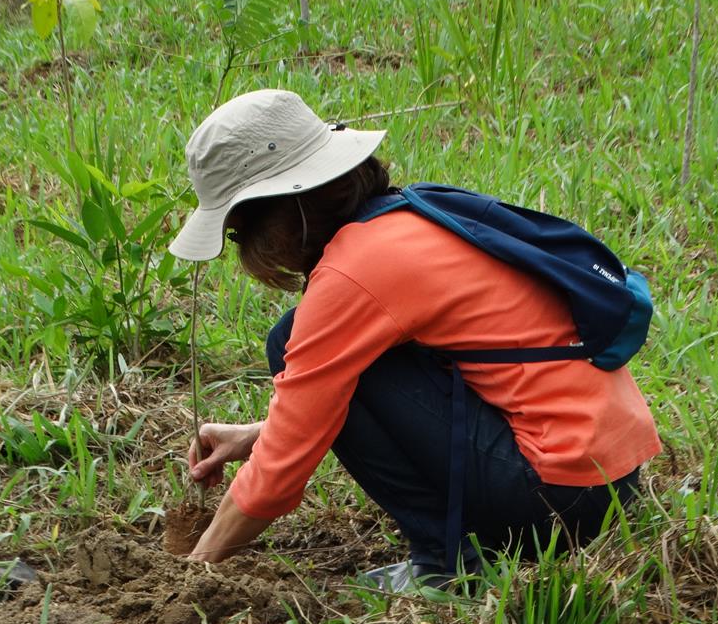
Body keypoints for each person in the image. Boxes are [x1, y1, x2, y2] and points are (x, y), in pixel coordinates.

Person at [168, 89, 660, 589]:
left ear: (277, 213)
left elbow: (277, 475)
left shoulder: (353, 273)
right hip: (606, 480)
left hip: (557, 504)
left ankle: (450, 564)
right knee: (301, 341)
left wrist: (191, 575)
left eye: (237, 233)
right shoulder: (411, 215)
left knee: (295, 341)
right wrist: (257, 434)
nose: (245, 252)